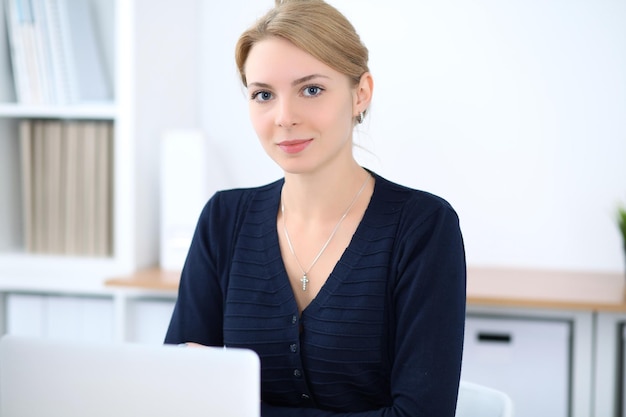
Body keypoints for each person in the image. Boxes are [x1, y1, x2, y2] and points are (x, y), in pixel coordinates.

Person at [164, 0, 466, 415]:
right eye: (263, 95)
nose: (284, 117)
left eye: (311, 89)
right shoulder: (223, 221)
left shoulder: (423, 228)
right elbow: (178, 396)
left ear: (360, 94)